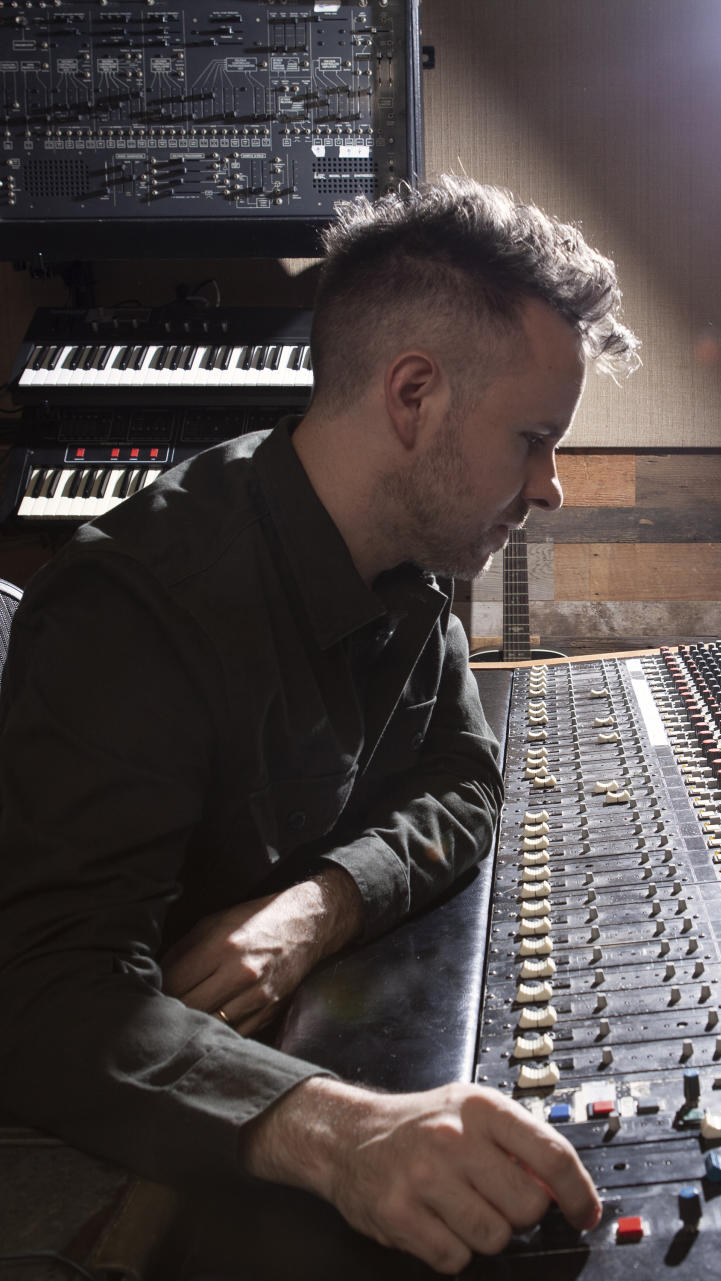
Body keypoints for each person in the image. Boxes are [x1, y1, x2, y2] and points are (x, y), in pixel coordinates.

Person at [0, 175, 639, 1275]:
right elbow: (44, 996)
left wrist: (320, 903)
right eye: (534, 439)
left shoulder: (405, 562)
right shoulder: (134, 606)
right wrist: (337, 1134)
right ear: (413, 395)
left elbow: (462, 778)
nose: (551, 487)